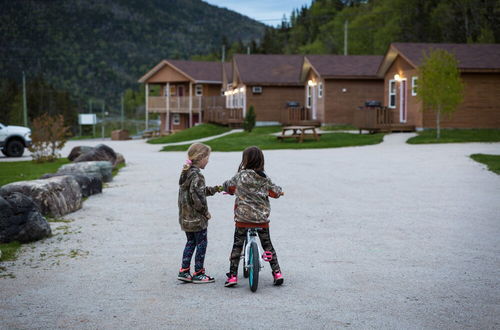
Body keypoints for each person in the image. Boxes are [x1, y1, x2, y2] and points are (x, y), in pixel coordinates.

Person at [222, 146, 284, 287]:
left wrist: (227, 189)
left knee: (237, 246)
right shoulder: (264, 178)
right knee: (267, 246)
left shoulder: (240, 176)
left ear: (245, 160)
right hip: (261, 219)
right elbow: (275, 192)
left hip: (242, 219)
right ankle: (277, 272)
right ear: (261, 160)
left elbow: (229, 186)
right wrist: (279, 192)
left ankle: (232, 276)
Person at [177, 143, 221, 283]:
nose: (208, 160)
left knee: (190, 242)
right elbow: (197, 198)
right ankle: (199, 273)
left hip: (186, 217)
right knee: (201, 243)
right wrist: (205, 212)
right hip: (196, 218)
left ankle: (184, 271)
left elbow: (198, 191)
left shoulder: (186, 173)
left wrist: (216, 189)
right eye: (207, 157)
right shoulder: (198, 176)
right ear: (201, 157)